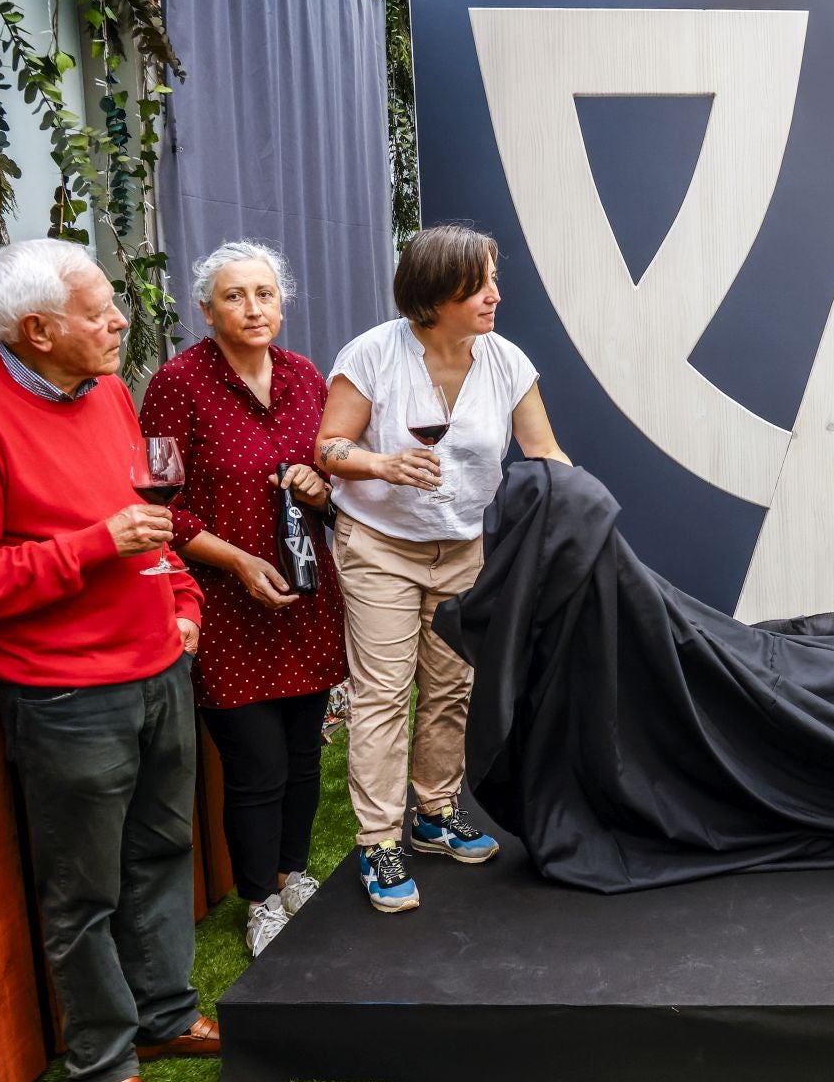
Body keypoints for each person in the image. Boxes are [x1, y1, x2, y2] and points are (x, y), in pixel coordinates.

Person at [0, 240, 217, 1082]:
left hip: (160, 665)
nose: (120, 320)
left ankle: (163, 1017)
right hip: (66, 697)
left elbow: (149, 520)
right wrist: (91, 548)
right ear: (38, 330)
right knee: (85, 892)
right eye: (99, 312)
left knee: (161, 855)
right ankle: (102, 1065)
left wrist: (184, 600)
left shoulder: (110, 392)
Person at [317, 224, 572, 913]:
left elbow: (543, 451)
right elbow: (330, 448)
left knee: (452, 690)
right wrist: (382, 463)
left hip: (464, 548)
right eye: (480, 283)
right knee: (382, 696)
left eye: (494, 278)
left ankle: (433, 813)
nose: (495, 294)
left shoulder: (506, 362)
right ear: (437, 294)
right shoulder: (373, 355)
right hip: (380, 546)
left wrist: (581, 504)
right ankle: (378, 841)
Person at [139, 241, 345, 957]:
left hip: (306, 599)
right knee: (254, 765)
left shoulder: (306, 377)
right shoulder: (175, 384)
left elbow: (329, 475)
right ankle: (260, 898)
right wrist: (236, 560)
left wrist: (322, 489)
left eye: (264, 294)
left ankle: (294, 874)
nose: (253, 308)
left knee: (302, 756)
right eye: (235, 296)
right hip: (227, 608)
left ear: (282, 303)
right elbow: (160, 504)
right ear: (206, 309)